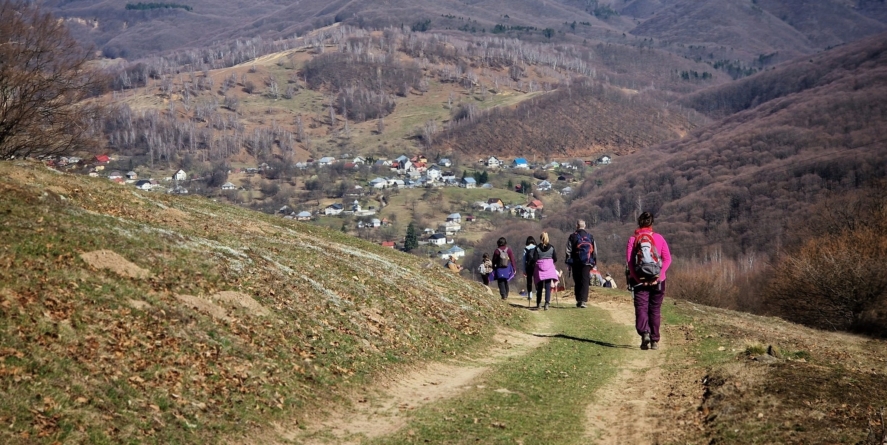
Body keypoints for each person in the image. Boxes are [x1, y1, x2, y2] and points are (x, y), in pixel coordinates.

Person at [626, 212, 672, 351]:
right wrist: (659, 276)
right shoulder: (659, 238)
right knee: (655, 310)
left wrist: (636, 278)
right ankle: (655, 340)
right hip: (658, 281)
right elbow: (667, 259)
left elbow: (630, 263)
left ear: (639, 223)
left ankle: (644, 333)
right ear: (651, 224)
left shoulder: (633, 239)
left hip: (640, 280)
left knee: (641, 307)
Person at [566, 219, 596, 308]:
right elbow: (594, 251)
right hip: (587, 262)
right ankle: (583, 300)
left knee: (577, 280)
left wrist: (568, 262)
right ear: (585, 226)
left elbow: (568, 250)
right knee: (585, 281)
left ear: (577, 226)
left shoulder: (572, 236)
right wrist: (594, 262)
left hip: (575, 261)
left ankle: (578, 299)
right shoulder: (590, 236)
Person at [531, 232, 558, 310]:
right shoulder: (552, 248)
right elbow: (555, 259)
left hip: (539, 270)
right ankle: (546, 303)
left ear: (540, 238)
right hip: (549, 269)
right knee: (548, 287)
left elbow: (535, 259)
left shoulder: (537, 248)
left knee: (539, 287)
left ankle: (538, 303)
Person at [521, 236, 537, 303]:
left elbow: (524, 260)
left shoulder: (526, 248)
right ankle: (537, 292)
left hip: (529, 267)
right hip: (536, 266)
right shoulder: (537, 248)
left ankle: (530, 294)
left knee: (529, 281)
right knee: (536, 280)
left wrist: (524, 270)